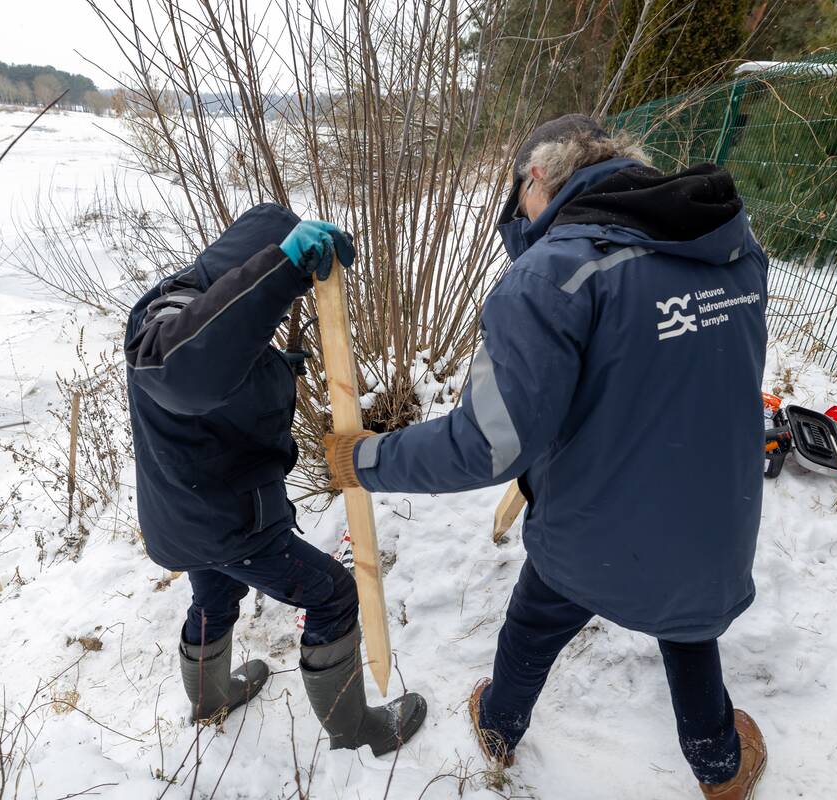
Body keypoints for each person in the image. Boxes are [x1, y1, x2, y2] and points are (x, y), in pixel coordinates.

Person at [324, 115, 769, 797]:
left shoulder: (555, 276)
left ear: (537, 178)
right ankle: (719, 764)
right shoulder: (728, 247)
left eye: (517, 196)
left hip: (598, 532)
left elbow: (487, 443)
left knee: (537, 619)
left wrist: (368, 459)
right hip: (717, 525)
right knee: (687, 624)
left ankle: (500, 726)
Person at [125, 203, 426, 755]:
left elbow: (223, 359)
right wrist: (283, 270)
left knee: (216, 592)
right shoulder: (169, 316)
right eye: (283, 280)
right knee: (332, 594)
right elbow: (184, 372)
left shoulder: (212, 306)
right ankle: (355, 732)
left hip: (186, 515)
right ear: (252, 262)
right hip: (226, 522)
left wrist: (275, 366)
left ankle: (210, 700)